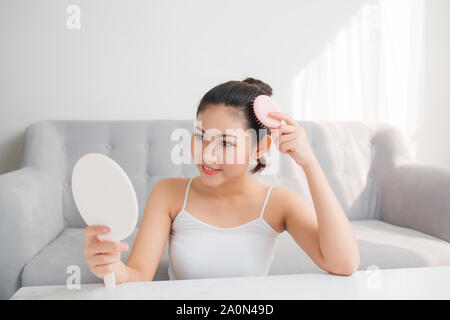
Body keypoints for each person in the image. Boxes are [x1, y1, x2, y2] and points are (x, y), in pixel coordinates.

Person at [84, 77, 360, 284]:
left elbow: (344, 263)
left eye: (226, 143)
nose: (208, 155)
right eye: (201, 137)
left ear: (259, 149)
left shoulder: (279, 203)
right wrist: (111, 268)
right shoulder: (168, 193)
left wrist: (309, 163)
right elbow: (138, 276)